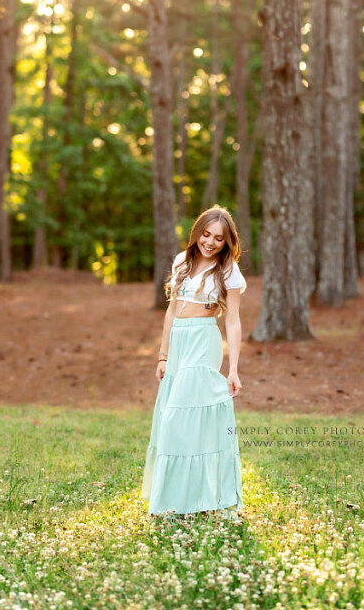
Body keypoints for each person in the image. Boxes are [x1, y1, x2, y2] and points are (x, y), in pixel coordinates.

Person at [141, 205, 246, 519]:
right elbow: (172, 312)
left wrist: (234, 368)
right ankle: (182, 497)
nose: (210, 242)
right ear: (197, 232)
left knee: (179, 419)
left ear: (227, 243)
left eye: (218, 238)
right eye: (206, 234)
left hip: (202, 342)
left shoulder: (228, 271)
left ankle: (199, 496)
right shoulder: (182, 262)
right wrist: (163, 354)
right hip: (179, 344)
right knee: (178, 420)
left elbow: (235, 322)